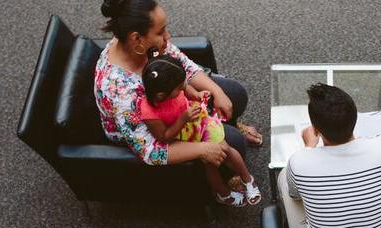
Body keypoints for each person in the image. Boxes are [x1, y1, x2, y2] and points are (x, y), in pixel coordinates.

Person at [94, 0, 262, 199]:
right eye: (160, 32)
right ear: (137, 38)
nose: (168, 37)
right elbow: (150, 151)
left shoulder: (141, 45)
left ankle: (229, 125)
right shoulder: (119, 91)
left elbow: (185, 66)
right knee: (234, 145)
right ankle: (221, 180)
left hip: (174, 101)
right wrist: (202, 149)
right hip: (153, 129)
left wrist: (217, 92)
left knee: (235, 94)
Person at [278, 83, 381, 228]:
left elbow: (294, 195)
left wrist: (308, 148)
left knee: (285, 177)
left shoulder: (299, 162)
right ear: (355, 118)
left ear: (316, 129)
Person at [140, 51, 261, 206]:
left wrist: (196, 95)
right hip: (185, 136)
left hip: (199, 124)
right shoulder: (149, 113)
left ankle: (247, 179)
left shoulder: (171, 86)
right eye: (178, 88)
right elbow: (164, 136)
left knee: (226, 150)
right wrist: (183, 118)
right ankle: (222, 193)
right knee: (210, 165)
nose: (182, 88)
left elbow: (186, 87)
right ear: (161, 95)